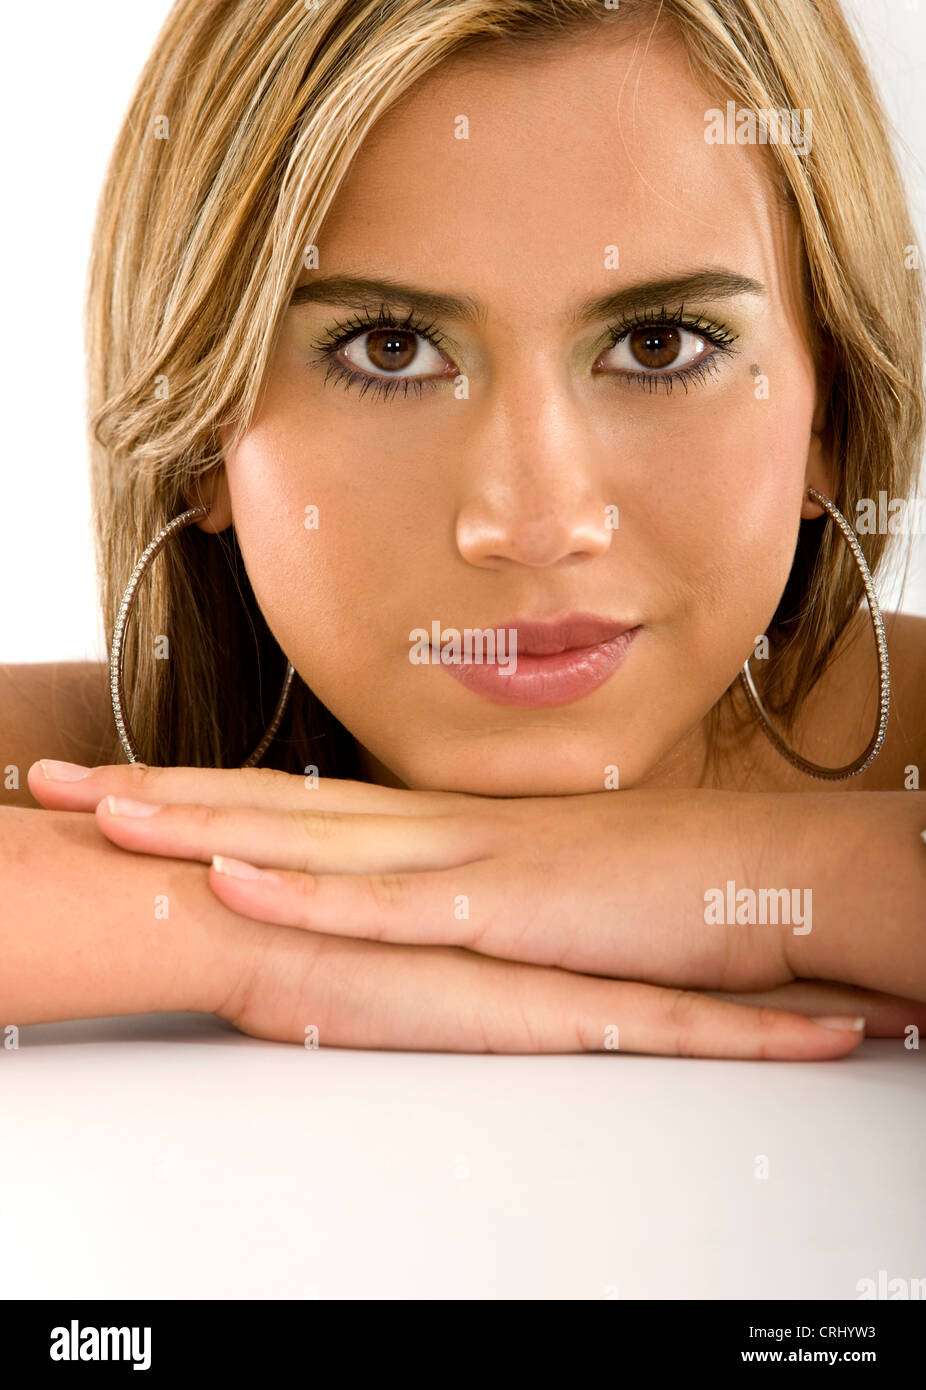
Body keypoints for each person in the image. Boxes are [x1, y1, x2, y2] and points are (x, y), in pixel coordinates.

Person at [3, 0, 925, 1057]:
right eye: (389, 350)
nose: (533, 523)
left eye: (658, 345)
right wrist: (272, 939)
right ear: (201, 438)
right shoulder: (120, 772)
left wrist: (784, 871)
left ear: (831, 412)